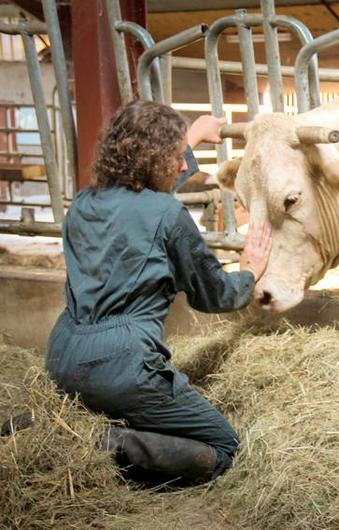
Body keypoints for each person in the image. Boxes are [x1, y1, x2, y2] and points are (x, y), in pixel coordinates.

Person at [41, 99, 271, 484]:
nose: (184, 166)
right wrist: (249, 272)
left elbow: (142, 203)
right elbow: (214, 295)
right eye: (176, 157)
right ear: (150, 160)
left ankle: (64, 428)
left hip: (62, 358)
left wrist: (192, 136)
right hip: (124, 367)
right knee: (225, 447)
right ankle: (106, 443)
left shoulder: (82, 204)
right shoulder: (167, 215)